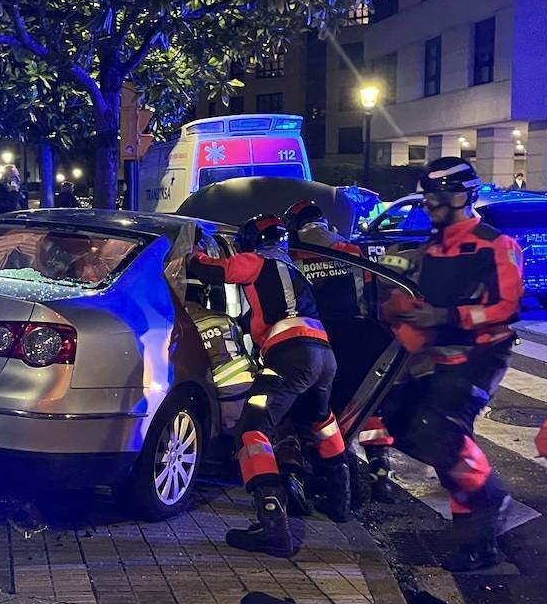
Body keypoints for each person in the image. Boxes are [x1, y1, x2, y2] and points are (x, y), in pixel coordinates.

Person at [374, 158, 521, 572]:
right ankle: (481, 507)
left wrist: (444, 317)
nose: (431, 204)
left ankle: (482, 528)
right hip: (431, 357)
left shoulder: (496, 244)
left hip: (480, 355)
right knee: (401, 423)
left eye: (439, 196)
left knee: (443, 431)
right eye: (428, 197)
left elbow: (507, 306)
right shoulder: (428, 250)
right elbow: (408, 299)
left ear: (464, 195)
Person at [185, 215, 346, 557]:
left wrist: (193, 251)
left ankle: (273, 526)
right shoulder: (295, 269)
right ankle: (340, 498)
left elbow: (212, 270)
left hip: (289, 355)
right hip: (324, 354)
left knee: (252, 430)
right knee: (321, 420)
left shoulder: (258, 261)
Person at [284, 200, 395, 507]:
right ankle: (381, 475)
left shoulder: (293, 254)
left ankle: (329, 473)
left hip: (320, 337)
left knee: (322, 409)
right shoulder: (349, 249)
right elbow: (371, 291)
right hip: (362, 334)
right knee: (368, 406)